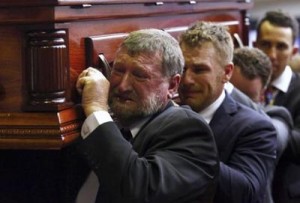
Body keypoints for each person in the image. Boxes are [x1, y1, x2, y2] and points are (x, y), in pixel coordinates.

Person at [75, 28, 219, 203]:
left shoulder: (189, 130)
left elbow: (139, 189)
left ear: (172, 85)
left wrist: (97, 109)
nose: (122, 86)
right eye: (118, 70)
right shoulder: (107, 124)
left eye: (139, 75)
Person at [178, 21, 277, 203]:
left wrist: (185, 145)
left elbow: (246, 192)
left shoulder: (256, 127)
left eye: (199, 70)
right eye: (183, 69)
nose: (186, 80)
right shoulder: (162, 116)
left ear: (227, 72)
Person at [231, 46, 295, 203]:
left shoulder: (277, 115)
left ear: (262, 94)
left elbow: (275, 138)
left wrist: (229, 91)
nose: (233, 106)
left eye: (247, 97)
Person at [254, 10, 300, 203]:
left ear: (293, 52)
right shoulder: (242, 86)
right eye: (265, 44)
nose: (272, 55)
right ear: (255, 46)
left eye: (281, 47)